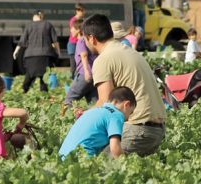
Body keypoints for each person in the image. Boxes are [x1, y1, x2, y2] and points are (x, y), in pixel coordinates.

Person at [84, 14, 166, 156]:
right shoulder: (129, 51)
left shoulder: (103, 59)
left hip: (138, 130)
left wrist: (83, 121)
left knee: (98, 167)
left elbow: (105, 104)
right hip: (158, 129)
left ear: (92, 38)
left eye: (85, 39)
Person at [59, 86, 136, 159]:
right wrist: (126, 162)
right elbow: (115, 149)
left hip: (64, 157)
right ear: (127, 105)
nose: (128, 118)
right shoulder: (116, 115)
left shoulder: (95, 110)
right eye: (131, 112)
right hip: (81, 159)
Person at [13, 11, 60, 93]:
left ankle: (24, 91)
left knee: (29, 75)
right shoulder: (48, 25)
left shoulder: (29, 26)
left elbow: (22, 41)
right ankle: (44, 94)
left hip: (30, 55)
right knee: (44, 77)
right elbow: (55, 41)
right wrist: (58, 52)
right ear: (41, 16)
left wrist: (16, 51)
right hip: (45, 55)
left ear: (34, 16)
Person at [64, 19, 98, 106]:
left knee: (69, 99)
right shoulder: (90, 40)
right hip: (95, 75)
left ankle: (67, 119)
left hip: (84, 75)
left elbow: (84, 55)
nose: (71, 30)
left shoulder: (81, 40)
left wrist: (86, 72)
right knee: (93, 103)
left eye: (72, 28)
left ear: (78, 30)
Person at [68, 3, 86, 79]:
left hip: (80, 43)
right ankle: (72, 80)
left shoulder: (83, 20)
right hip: (73, 44)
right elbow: (74, 33)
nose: (83, 12)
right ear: (77, 11)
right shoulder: (73, 20)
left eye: (83, 10)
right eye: (82, 11)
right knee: (73, 64)